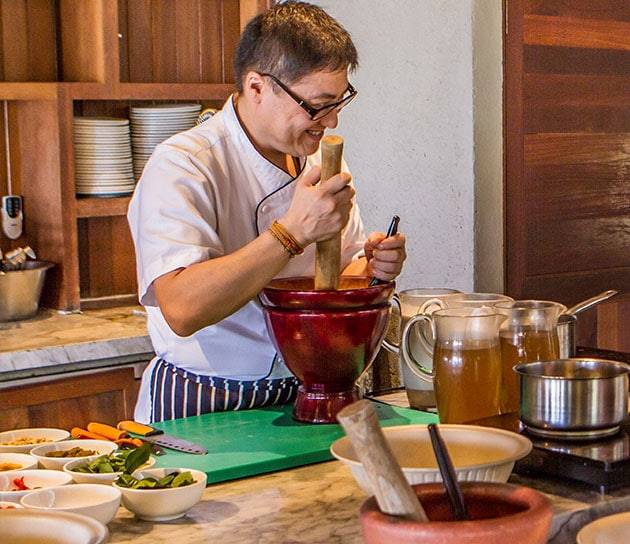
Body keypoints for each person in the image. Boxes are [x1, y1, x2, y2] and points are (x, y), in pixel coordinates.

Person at [127, 1, 407, 423]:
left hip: (303, 394)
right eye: (315, 106)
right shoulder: (185, 164)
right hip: (204, 399)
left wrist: (373, 270)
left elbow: (329, 287)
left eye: (339, 102)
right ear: (257, 87)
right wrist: (291, 232)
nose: (329, 122)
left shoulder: (322, 163)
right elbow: (182, 308)